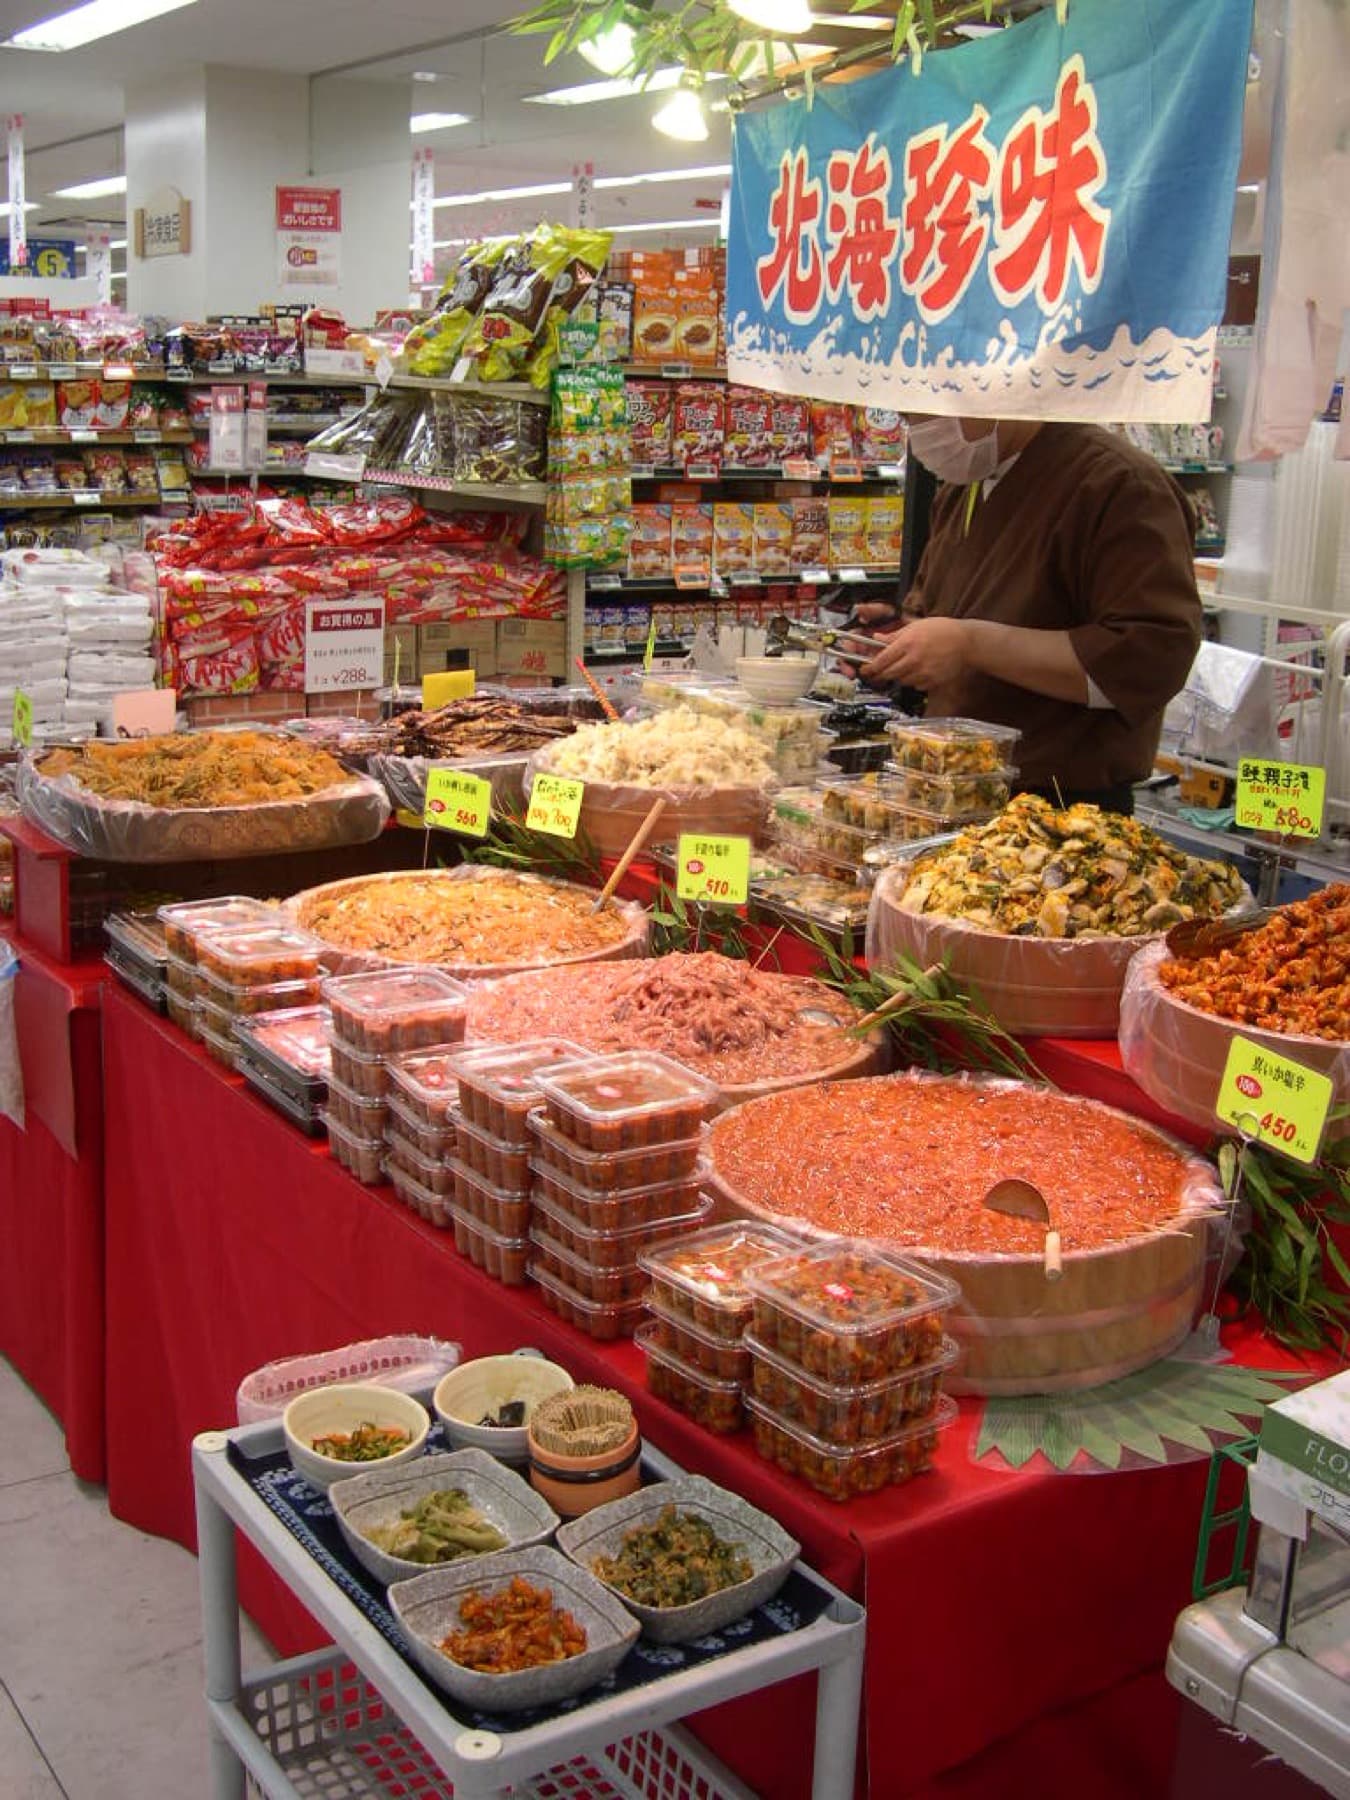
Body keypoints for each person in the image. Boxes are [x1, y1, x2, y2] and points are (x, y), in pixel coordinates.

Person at [857, 415, 1203, 814]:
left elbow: (1149, 659)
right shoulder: (966, 483)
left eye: (928, 416)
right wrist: (895, 638)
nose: (919, 434)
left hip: (1063, 811)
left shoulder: (1119, 483)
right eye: (908, 418)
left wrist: (971, 644)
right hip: (951, 784)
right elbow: (948, 608)